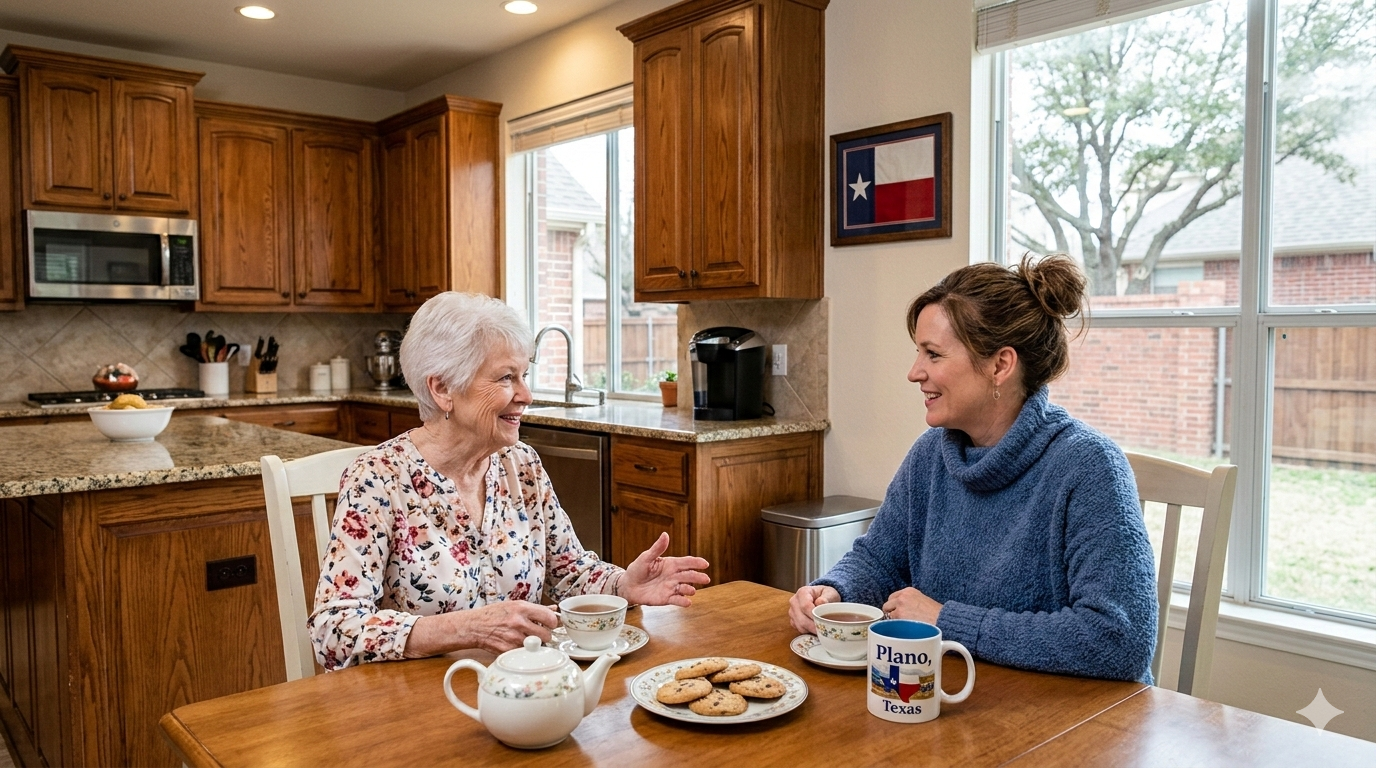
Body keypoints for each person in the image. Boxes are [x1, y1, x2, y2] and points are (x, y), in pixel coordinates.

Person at [788, 255, 1158, 683]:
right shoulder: (930, 456)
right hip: (957, 700)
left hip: (1070, 728)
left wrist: (947, 620)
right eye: (917, 353)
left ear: (1000, 365)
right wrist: (835, 591)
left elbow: (1120, 640)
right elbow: (879, 561)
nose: (914, 372)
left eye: (933, 354)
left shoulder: (1089, 466)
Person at [309, 292, 710, 670]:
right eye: (505, 378)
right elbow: (333, 629)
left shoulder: (522, 466)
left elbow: (569, 572)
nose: (526, 394)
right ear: (443, 388)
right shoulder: (378, 478)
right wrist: (468, 628)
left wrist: (624, 584)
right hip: (419, 701)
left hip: (520, 690)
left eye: (524, 375)